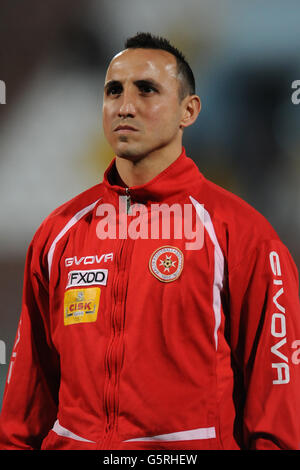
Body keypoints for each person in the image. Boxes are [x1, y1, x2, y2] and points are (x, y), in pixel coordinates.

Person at [0, 32, 300, 451]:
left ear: (188, 111)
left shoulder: (242, 235)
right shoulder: (59, 232)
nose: (125, 106)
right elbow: (26, 403)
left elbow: (278, 396)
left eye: (147, 90)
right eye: (113, 91)